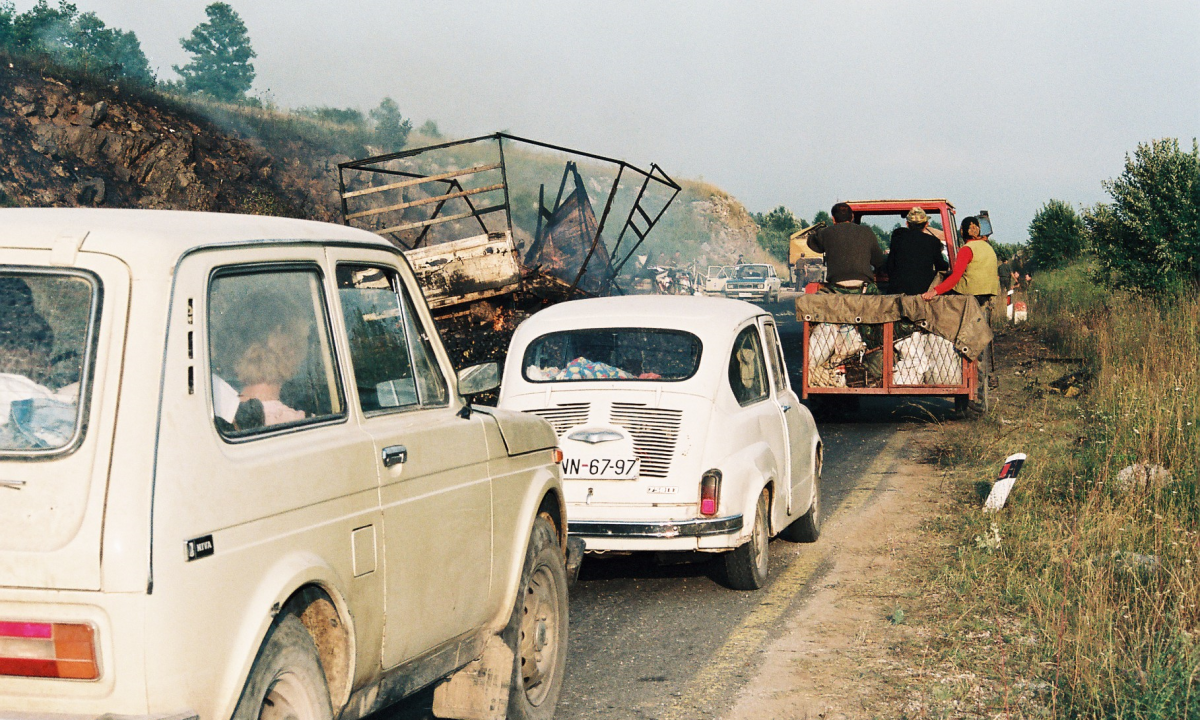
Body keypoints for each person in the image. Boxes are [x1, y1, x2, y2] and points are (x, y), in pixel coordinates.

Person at [921, 216, 1000, 387]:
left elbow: (955, 277)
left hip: (968, 298)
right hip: (984, 298)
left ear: (962, 232)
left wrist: (934, 292)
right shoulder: (988, 249)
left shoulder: (966, 249)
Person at [809, 202, 885, 293]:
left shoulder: (826, 232)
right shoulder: (867, 231)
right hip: (863, 287)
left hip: (837, 286)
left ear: (833, 219)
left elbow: (811, 242)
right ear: (852, 217)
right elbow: (879, 261)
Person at [885, 207, 950, 295]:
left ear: (907, 224)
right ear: (926, 224)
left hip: (897, 291)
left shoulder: (898, 239)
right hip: (922, 293)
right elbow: (941, 266)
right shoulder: (933, 242)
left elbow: (890, 265)